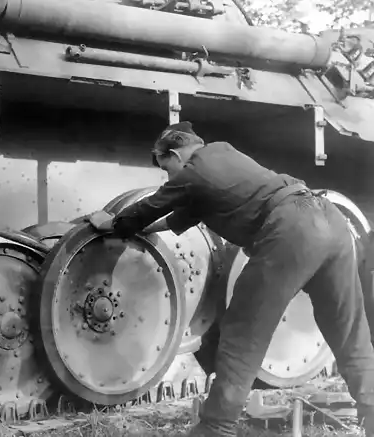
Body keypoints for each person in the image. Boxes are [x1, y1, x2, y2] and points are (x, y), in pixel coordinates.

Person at [88, 121, 374, 437]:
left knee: (243, 331)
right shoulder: (222, 157)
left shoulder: (194, 170)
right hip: (330, 220)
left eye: (166, 168)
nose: (170, 177)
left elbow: (151, 206)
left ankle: (216, 427)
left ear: (175, 153)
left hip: (292, 229)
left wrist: (116, 223)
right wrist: (143, 228)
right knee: (348, 329)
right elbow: (176, 217)